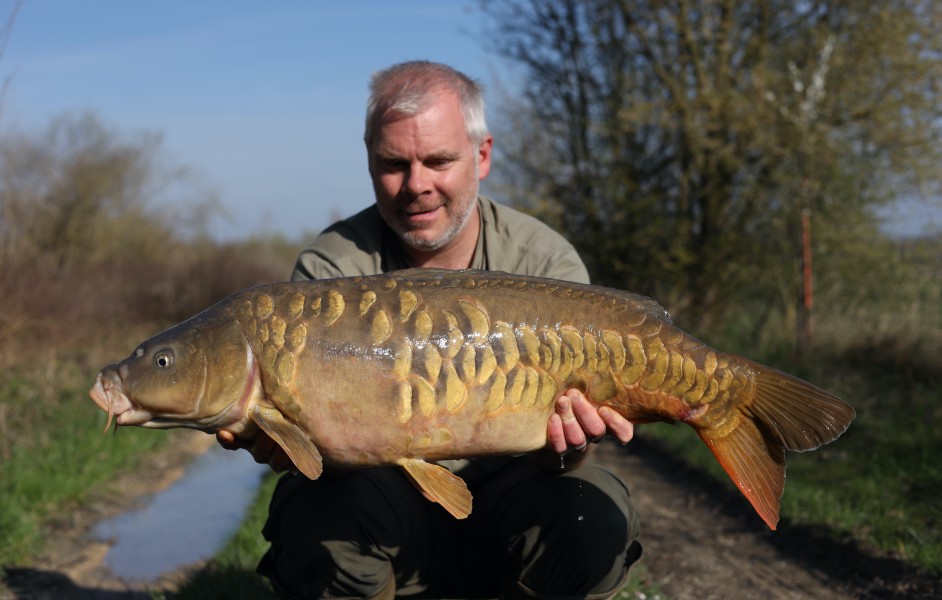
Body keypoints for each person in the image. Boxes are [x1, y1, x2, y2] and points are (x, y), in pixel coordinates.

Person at [218, 60, 642, 600]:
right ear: (369, 160)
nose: (416, 185)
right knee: (310, 510)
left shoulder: (543, 262)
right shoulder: (330, 269)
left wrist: (570, 445)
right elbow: (319, 463)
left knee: (590, 512)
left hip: (510, 509)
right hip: (390, 515)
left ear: (482, 155)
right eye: (394, 163)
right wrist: (294, 444)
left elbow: (567, 456)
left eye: (438, 160)